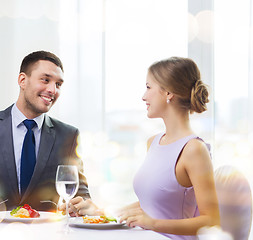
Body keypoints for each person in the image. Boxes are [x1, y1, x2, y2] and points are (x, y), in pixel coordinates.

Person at [67, 57, 220, 239]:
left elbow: (211, 221)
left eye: (148, 87)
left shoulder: (194, 149)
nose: (143, 96)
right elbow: (150, 205)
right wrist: (99, 212)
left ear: (168, 93)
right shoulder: (153, 142)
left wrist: (154, 224)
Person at [0, 50, 90, 221]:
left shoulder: (68, 135)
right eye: (45, 80)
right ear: (22, 80)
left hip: (46, 233)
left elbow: (81, 195)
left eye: (58, 84)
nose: (52, 90)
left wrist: (82, 206)